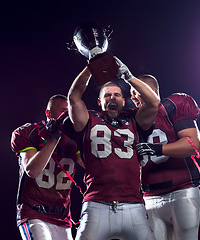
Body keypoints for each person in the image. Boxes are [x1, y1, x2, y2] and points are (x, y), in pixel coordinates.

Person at [63, 57, 159, 240]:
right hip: (96, 204)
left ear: (124, 101)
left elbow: (154, 103)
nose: (112, 98)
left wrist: (129, 76)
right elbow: (73, 97)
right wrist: (91, 68)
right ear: (99, 102)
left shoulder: (134, 119)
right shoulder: (88, 118)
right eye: (107, 95)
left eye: (116, 95)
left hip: (133, 206)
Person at [132, 74, 200, 240]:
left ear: (149, 91)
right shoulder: (131, 119)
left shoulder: (172, 106)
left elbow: (193, 145)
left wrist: (157, 149)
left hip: (183, 190)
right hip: (149, 197)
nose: (132, 97)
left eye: (135, 91)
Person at [11, 94, 84, 240]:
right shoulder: (30, 133)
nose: (66, 116)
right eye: (62, 111)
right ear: (48, 114)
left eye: (69, 112)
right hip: (34, 213)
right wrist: (54, 139)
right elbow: (33, 170)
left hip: (63, 217)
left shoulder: (74, 140)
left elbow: (95, 168)